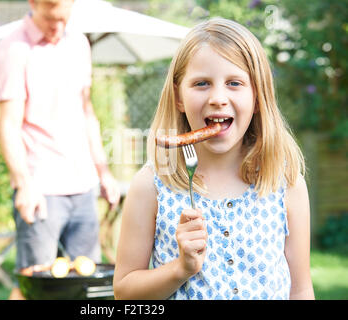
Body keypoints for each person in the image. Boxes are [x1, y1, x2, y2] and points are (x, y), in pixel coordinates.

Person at [113, 17, 314, 300]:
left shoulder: (286, 182)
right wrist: (180, 269)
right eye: (201, 83)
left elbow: (301, 289)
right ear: (179, 98)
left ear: (257, 97)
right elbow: (124, 292)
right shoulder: (151, 186)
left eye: (234, 83)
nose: (218, 97)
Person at [0, 0, 120, 300]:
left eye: (64, 18)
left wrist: (104, 172)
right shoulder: (13, 49)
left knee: (85, 288)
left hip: (83, 185)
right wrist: (23, 184)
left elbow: (87, 113)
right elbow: (9, 124)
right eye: (51, 19)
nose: (58, 27)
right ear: (33, 3)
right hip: (41, 189)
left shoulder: (78, 43)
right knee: (36, 287)